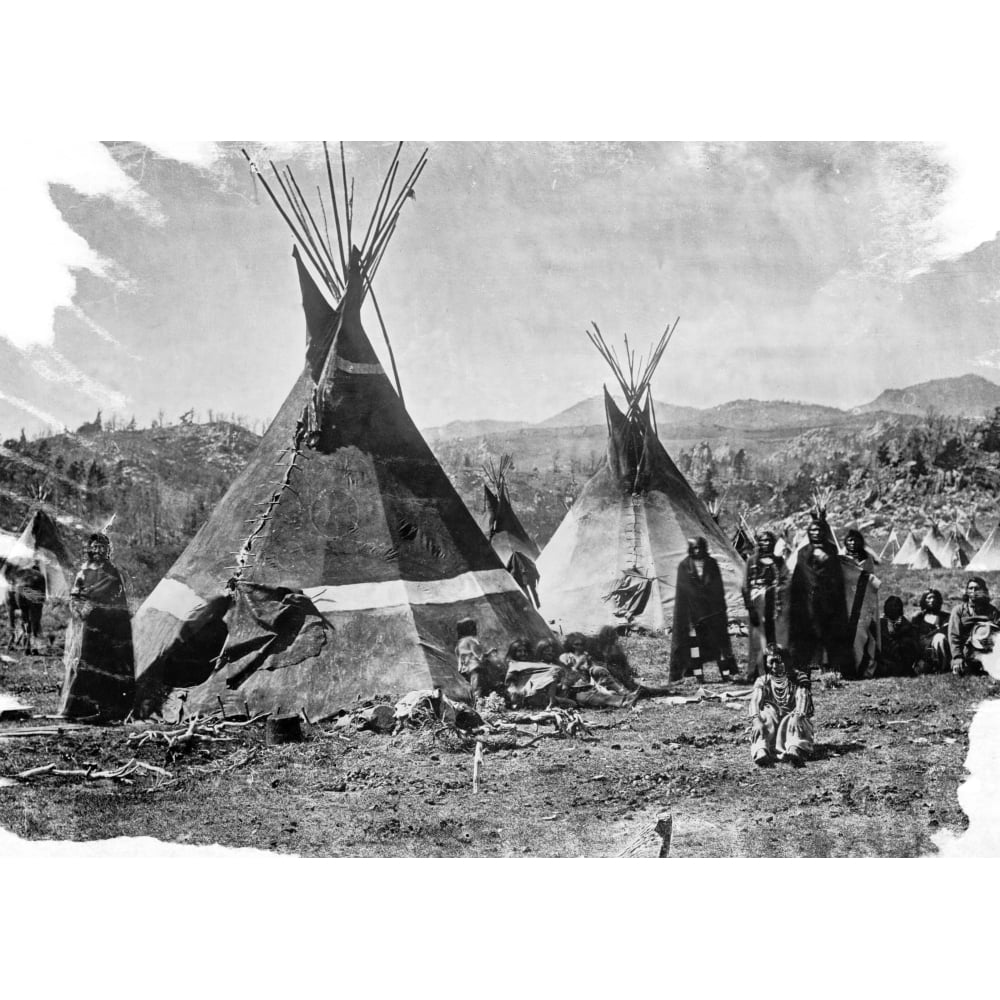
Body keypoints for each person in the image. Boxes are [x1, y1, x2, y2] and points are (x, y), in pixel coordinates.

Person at [58, 533, 135, 722]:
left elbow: (118, 599)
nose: (99, 550)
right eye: (95, 546)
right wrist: (80, 610)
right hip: (89, 625)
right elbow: (75, 596)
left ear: (108, 549)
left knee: (107, 665)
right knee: (86, 663)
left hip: (110, 626)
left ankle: (107, 710)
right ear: (89, 549)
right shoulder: (83, 572)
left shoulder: (113, 572)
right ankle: (81, 709)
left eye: (102, 546)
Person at [789, 516, 853, 678]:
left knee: (829, 634)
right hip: (807, 601)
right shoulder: (803, 552)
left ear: (823, 532)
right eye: (812, 530)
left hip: (828, 601)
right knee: (808, 633)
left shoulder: (831, 550)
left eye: (818, 530)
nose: (816, 533)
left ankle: (830, 667)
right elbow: (800, 576)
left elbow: (835, 577)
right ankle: (806, 667)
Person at [669, 537, 739, 683]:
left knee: (719, 644)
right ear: (690, 549)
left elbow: (718, 588)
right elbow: (683, 593)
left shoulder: (711, 563)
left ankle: (726, 674)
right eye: (694, 548)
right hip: (693, 613)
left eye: (700, 547)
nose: (698, 551)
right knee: (695, 646)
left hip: (711, 612)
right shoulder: (685, 566)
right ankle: (698, 676)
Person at [748, 644, 815, 767]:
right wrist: (756, 720)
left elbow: (803, 697)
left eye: (778, 662)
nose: (775, 666)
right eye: (771, 662)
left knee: (795, 721)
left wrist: (798, 716)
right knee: (765, 715)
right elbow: (755, 701)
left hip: (794, 715)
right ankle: (761, 750)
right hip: (773, 721)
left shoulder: (798, 677)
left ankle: (794, 749)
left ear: (786, 660)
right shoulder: (763, 680)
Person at [741, 529, 790, 682]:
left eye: (769, 540)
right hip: (757, 604)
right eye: (762, 540)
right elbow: (745, 586)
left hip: (774, 603)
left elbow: (786, 580)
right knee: (757, 638)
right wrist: (750, 607)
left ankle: (775, 669)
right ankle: (756, 672)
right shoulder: (751, 561)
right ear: (758, 543)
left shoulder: (779, 561)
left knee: (774, 637)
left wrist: (776, 590)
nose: (766, 543)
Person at [840, 528, 881, 679]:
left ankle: (862, 669)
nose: (852, 543)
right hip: (847, 602)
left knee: (862, 634)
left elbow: (870, 579)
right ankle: (846, 670)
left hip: (863, 602)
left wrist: (862, 576)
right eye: (849, 540)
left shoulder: (867, 559)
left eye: (855, 540)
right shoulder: (842, 560)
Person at [948, 577, 1000, 677]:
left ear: (983, 590)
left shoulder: (991, 610)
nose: (973, 591)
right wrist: (957, 657)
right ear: (967, 591)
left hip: (987, 648)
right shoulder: (958, 610)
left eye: (977, 588)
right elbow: (954, 635)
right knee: (963, 670)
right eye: (970, 588)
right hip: (966, 651)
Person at [878, 596, 921, 676]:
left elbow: (913, 645)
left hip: (902, 658)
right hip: (885, 658)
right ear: (885, 607)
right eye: (890, 606)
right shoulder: (880, 623)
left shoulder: (907, 624)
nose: (893, 608)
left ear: (900, 608)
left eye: (896, 606)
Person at [910, 589, 950, 673]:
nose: (932, 600)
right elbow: (914, 638)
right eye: (929, 598)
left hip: (942, 649)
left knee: (940, 638)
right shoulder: (918, 618)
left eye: (934, 597)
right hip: (924, 652)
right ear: (924, 600)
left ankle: (942, 668)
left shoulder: (946, 616)